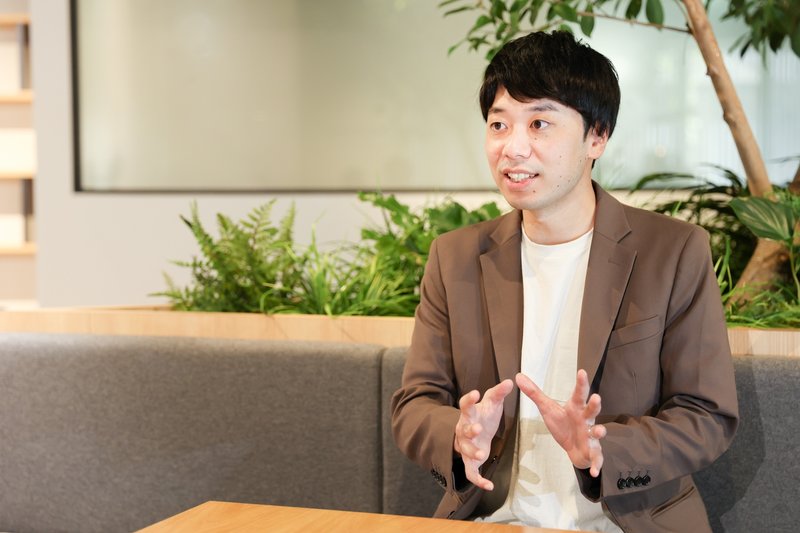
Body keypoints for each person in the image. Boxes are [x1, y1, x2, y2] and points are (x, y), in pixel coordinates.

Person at [390, 31, 738, 532]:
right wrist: (459, 435)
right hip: (492, 520)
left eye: (539, 124)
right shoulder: (456, 257)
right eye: (499, 124)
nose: (513, 148)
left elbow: (706, 414)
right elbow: (414, 404)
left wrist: (603, 449)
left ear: (597, 136)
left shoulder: (673, 251)